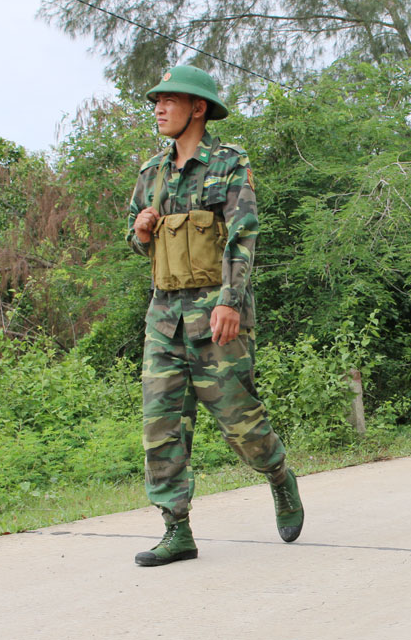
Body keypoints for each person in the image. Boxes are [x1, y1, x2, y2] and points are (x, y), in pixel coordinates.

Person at [126, 65, 302, 567]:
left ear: (198, 108)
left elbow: (243, 235)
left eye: (170, 100)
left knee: (240, 424)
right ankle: (176, 530)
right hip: (163, 319)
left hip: (216, 314)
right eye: (155, 101)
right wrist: (139, 234)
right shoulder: (150, 174)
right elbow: (141, 245)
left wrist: (230, 300)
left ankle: (278, 475)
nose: (158, 108)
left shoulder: (228, 165)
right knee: (161, 428)